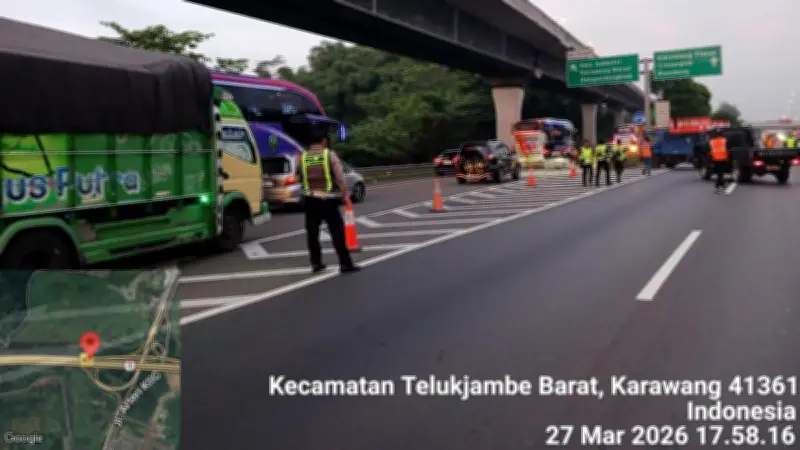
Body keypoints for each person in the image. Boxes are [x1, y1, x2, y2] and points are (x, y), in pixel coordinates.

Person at [295, 124, 361, 273]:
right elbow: (340, 177)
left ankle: (316, 263)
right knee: (337, 232)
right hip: (328, 199)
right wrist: (345, 195)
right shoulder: (328, 155)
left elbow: (298, 177)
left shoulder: (302, 157)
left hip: (310, 199)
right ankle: (345, 263)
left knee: (312, 233)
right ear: (323, 141)